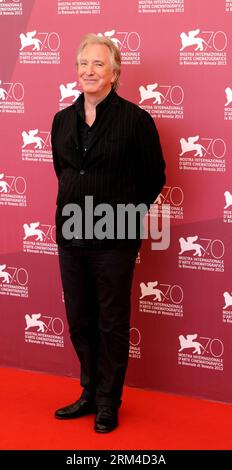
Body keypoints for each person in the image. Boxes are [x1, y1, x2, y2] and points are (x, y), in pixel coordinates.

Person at [51, 33, 166, 433]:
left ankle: (107, 402)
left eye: (98, 64)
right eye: (84, 63)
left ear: (114, 73)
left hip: (114, 238)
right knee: (80, 319)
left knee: (111, 321)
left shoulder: (135, 120)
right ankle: (88, 391)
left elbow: (154, 177)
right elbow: (64, 172)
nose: (89, 71)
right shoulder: (62, 120)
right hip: (71, 236)